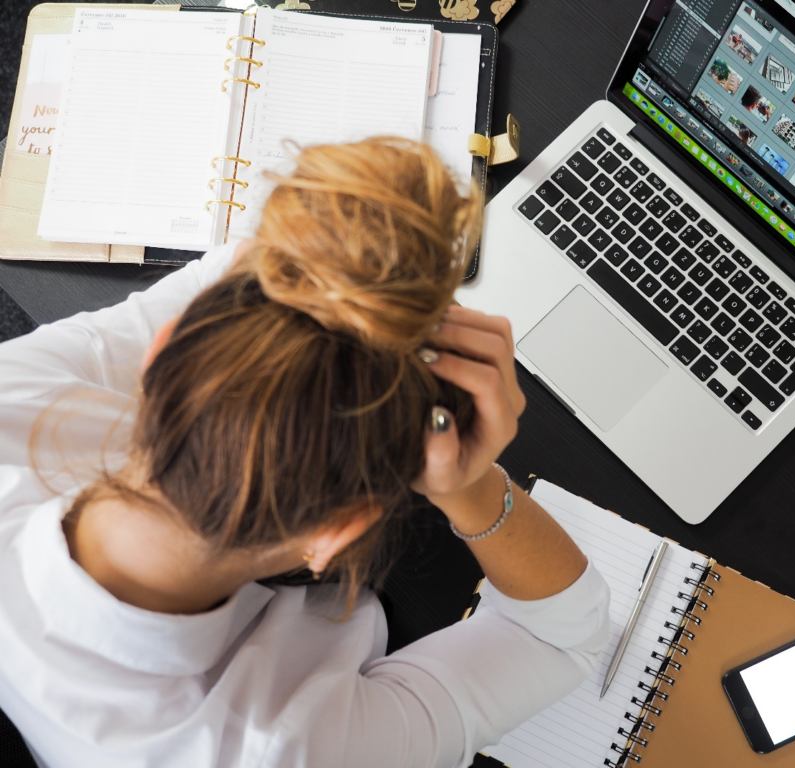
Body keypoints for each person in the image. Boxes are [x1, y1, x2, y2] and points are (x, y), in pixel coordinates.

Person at [0, 138, 610, 767]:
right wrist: (472, 485)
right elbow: (560, 637)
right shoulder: (290, 751)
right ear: (335, 535)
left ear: (156, 357)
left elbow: (240, 269)